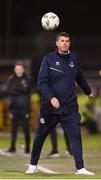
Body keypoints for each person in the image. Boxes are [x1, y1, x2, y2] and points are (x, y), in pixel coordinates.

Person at [26, 32, 95, 175]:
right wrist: (51, 97)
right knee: (40, 136)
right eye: (62, 41)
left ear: (69, 43)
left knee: (76, 136)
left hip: (69, 108)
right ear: (57, 43)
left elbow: (79, 76)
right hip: (50, 108)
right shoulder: (48, 59)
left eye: (67, 41)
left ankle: (80, 168)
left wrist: (88, 91)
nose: (65, 43)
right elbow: (42, 83)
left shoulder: (74, 58)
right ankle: (33, 164)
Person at [7, 61, 31, 154]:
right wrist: (21, 90)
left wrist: (16, 90)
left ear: (23, 69)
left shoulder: (27, 79)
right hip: (14, 108)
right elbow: (9, 91)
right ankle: (12, 147)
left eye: (20, 69)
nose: (19, 71)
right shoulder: (11, 79)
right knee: (14, 129)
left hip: (25, 108)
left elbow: (26, 90)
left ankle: (28, 148)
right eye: (17, 69)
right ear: (14, 70)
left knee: (26, 128)